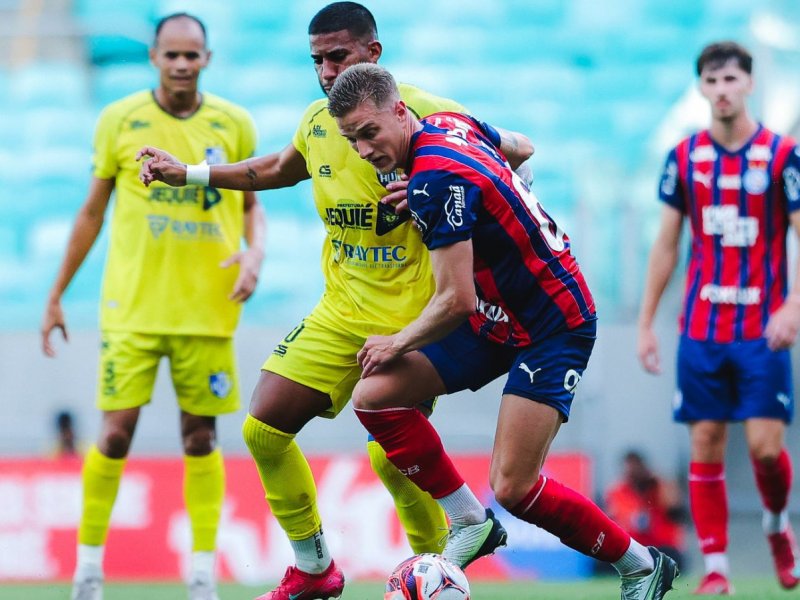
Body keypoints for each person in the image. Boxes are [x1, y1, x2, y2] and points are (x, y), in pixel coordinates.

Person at [135, 4, 520, 599]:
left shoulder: (429, 114)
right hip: (340, 313)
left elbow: (510, 156)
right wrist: (187, 174)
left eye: (337, 56)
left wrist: (435, 184)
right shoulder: (320, 121)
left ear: (373, 54)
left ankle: (434, 572)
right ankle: (316, 568)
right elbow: (276, 169)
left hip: (413, 321)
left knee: (392, 459)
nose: (324, 70)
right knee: (263, 429)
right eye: (315, 59)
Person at [325, 62, 679, 600]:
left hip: (552, 324)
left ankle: (640, 565)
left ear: (400, 111)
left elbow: (454, 299)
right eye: (352, 140)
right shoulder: (449, 124)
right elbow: (523, 147)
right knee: (374, 396)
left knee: (513, 486)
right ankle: (470, 522)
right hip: (495, 318)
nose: (364, 150)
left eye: (370, 132)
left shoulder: (433, 180)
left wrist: (396, 341)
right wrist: (496, 194)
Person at [41, 13, 265, 600]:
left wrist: (254, 253)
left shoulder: (235, 123)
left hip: (206, 310)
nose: (182, 64)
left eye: (193, 55)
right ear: (154, 57)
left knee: (201, 438)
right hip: (133, 310)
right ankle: (88, 569)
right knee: (115, 435)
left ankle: (201, 574)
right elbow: (92, 211)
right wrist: (58, 292)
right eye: (172, 55)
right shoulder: (119, 120)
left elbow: (252, 204)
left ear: (207, 59)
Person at [637, 40, 800, 595]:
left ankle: (778, 524)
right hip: (702, 328)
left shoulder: (782, 156)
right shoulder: (684, 159)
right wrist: (645, 322)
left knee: (765, 450)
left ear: (749, 84)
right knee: (705, 439)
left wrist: (793, 305)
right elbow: (665, 246)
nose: (722, 90)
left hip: (762, 329)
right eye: (712, 81)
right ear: (702, 89)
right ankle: (716, 569)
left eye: (732, 80)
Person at [604, 451, 687, 574]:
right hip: (632, 548)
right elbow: (613, 517)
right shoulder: (618, 491)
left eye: (636, 467)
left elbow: (676, 510)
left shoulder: (660, 486)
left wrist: (657, 484)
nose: (632, 472)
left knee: (670, 559)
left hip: (661, 547)